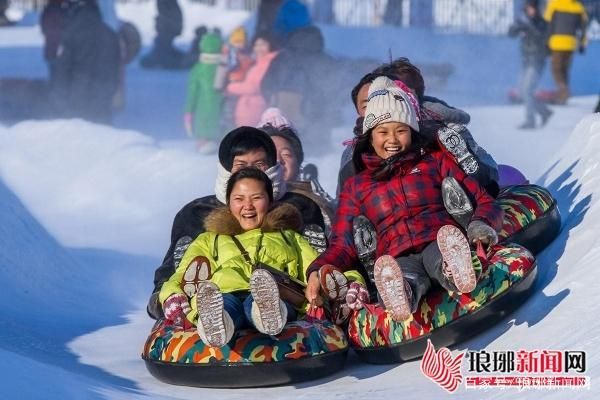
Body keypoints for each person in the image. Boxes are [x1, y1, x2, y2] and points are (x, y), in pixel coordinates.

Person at [305, 77, 503, 321]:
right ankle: (402, 295)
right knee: (402, 276)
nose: (392, 139)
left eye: (401, 130)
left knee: (440, 258)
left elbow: (483, 200)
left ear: (411, 131)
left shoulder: (435, 162)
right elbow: (343, 244)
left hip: (437, 239)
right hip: (396, 255)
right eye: (383, 132)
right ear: (370, 135)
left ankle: (454, 270)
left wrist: (480, 223)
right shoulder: (357, 186)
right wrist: (316, 270)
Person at [147, 127, 327, 320]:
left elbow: (318, 259)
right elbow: (177, 270)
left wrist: (321, 282)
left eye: (259, 164)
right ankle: (216, 317)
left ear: (272, 168)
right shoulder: (197, 213)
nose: (250, 171)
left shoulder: (300, 208)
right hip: (222, 291)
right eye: (241, 165)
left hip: (281, 292)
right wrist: (165, 296)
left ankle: (265, 311)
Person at [159, 168, 318, 346]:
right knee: (224, 305)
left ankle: (267, 312)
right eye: (239, 199)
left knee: (265, 300)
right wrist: (172, 294)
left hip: (275, 292)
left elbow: (314, 268)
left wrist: (319, 285)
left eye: (256, 198)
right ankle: (217, 322)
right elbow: (185, 272)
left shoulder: (289, 237)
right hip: (225, 293)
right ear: (228, 203)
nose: (248, 206)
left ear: (270, 201)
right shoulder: (210, 239)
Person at [338, 59, 499, 199]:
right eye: (368, 103)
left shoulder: (445, 132)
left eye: (402, 95)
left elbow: (491, 175)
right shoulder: (356, 149)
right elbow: (345, 197)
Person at [257, 111, 336, 234]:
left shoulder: (315, 206)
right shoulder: (243, 203)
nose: (278, 160)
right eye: (271, 154)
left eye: (286, 154)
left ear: (298, 164)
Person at [51, 0, 120, 124]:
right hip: (103, 104)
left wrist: (60, 104)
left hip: (76, 106)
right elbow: (116, 73)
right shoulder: (111, 35)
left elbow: (61, 72)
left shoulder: (70, 34)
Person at [509, 0, 553, 129]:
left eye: (533, 8)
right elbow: (511, 33)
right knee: (523, 92)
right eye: (529, 8)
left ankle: (530, 121)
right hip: (526, 61)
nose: (531, 10)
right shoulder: (523, 22)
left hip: (537, 61)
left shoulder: (542, 23)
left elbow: (542, 37)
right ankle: (544, 112)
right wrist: (518, 26)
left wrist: (528, 27)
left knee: (527, 90)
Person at [184, 31, 223, 153]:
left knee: (204, 137)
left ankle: (204, 143)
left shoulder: (198, 69)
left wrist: (188, 112)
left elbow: (192, 93)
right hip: (221, 113)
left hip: (202, 115)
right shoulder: (224, 67)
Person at [226, 35, 278, 127]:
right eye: (256, 45)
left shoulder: (269, 63)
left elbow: (255, 87)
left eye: (263, 44)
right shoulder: (259, 63)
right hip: (249, 109)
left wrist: (231, 87)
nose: (259, 48)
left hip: (255, 110)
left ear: (271, 46)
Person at [544, 0, 588, 104]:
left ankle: (564, 92)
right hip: (571, 43)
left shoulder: (554, 4)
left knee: (556, 70)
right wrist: (582, 43)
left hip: (557, 42)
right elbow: (584, 28)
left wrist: (545, 42)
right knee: (564, 70)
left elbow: (548, 24)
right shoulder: (579, 7)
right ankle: (562, 98)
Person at [40, 0, 67, 80]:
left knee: (54, 72)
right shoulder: (62, 10)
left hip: (52, 47)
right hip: (58, 47)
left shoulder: (48, 9)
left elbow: (44, 27)